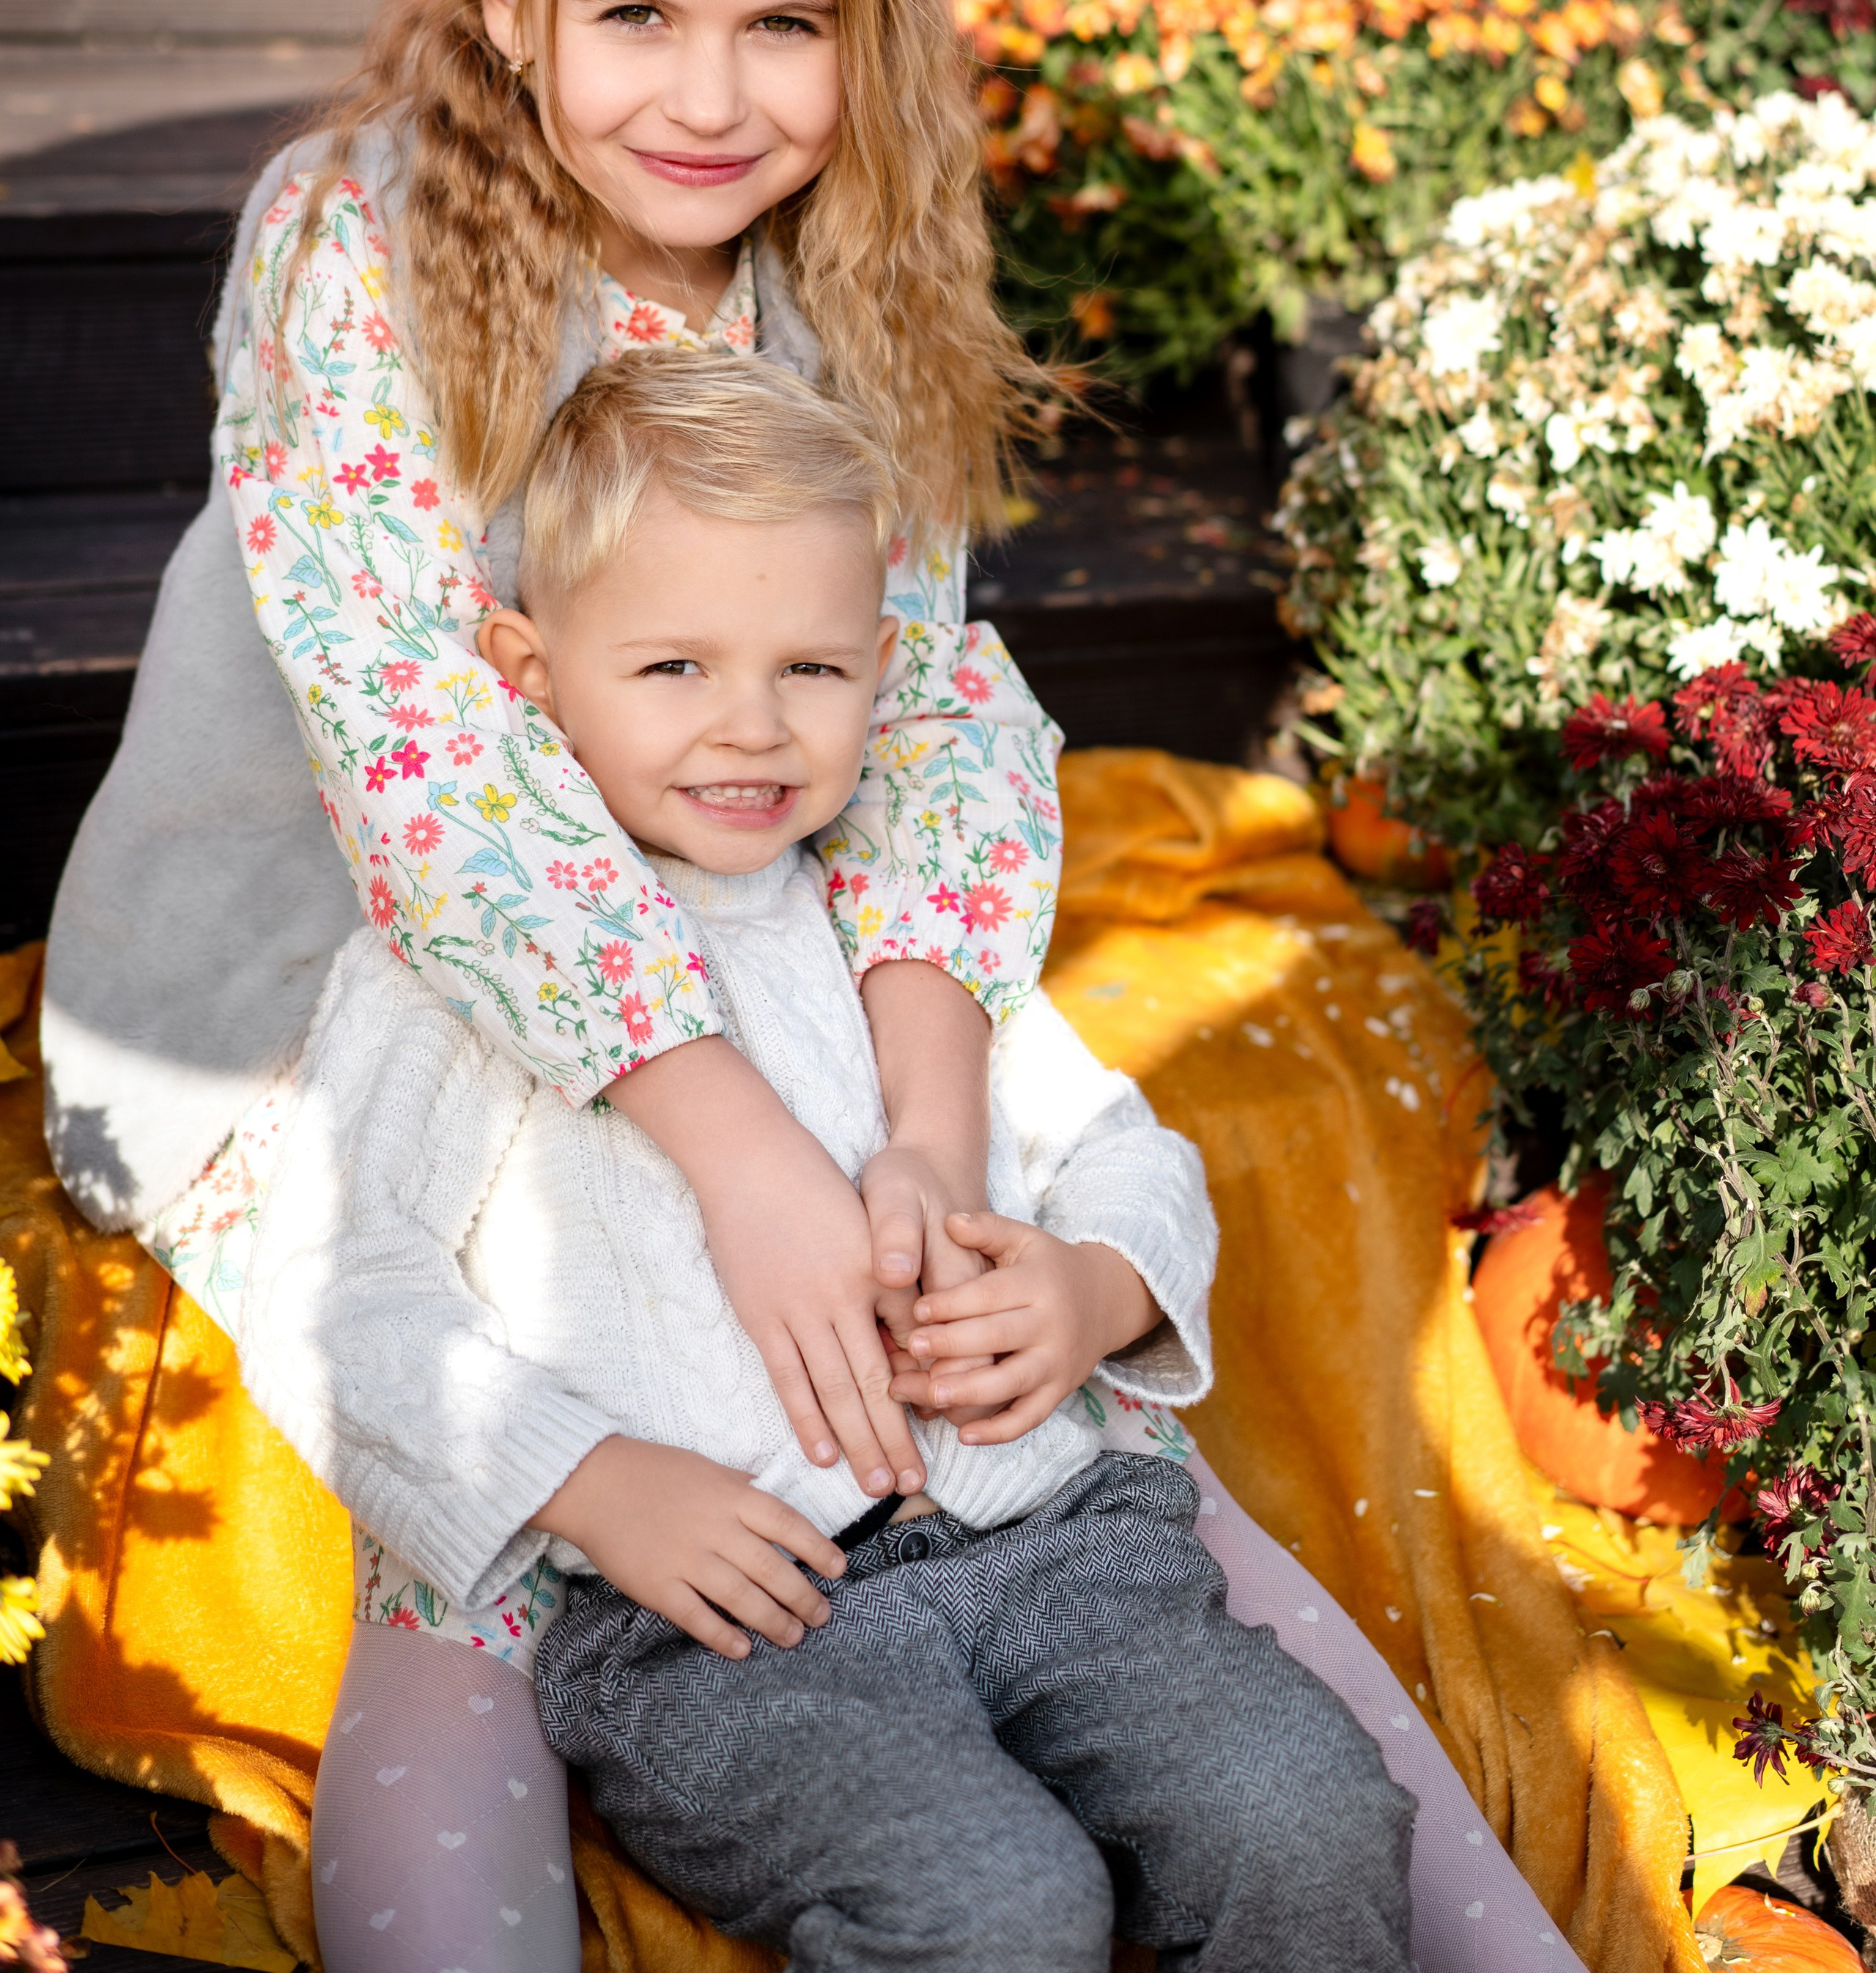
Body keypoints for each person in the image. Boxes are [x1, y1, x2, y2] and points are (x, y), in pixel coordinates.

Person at [40, 0, 1589, 1973]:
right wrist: (758, 1168)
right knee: (503, 1497)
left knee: (1085, 1469)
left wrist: (931, 1148)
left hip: (741, 875)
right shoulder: (354, 242)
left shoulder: (836, 276)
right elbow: (430, 779)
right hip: (346, 978)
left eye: (784, 29)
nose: (709, 94)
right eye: (638, 14)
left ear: (870, 37)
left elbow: (942, 708)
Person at [236, 350, 1419, 1973]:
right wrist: (591, 1484)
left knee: (1306, 1810)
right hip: (734, 1629)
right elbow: (336, 1296)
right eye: (670, 667)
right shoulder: (456, 972)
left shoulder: (900, 931)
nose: (751, 726)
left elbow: (1116, 1151)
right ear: (526, 671)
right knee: (992, 1907)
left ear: (879, 671)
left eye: (807, 668)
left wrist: (1090, 1288)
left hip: (1063, 1552)